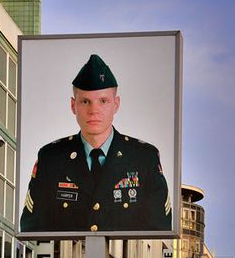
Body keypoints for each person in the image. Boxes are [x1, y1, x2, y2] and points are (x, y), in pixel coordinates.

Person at [20, 54, 171, 234]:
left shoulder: (144, 157)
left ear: (116, 104)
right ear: (73, 106)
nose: (94, 110)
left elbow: (160, 229)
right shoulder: (51, 157)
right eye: (85, 101)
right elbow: (32, 230)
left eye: (103, 101)